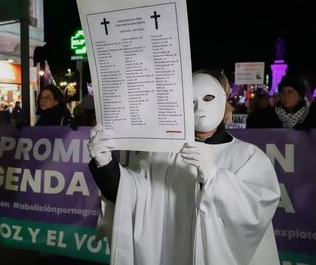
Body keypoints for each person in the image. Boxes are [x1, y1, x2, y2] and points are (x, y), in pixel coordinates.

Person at [88, 70, 281, 265]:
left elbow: (256, 212)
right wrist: (104, 163)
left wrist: (215, 178)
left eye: (208, 98)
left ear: (223, 101)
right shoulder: (161, 153)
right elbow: (129, 196)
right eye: (190, 101)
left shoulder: (247, 156)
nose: (199, 108)